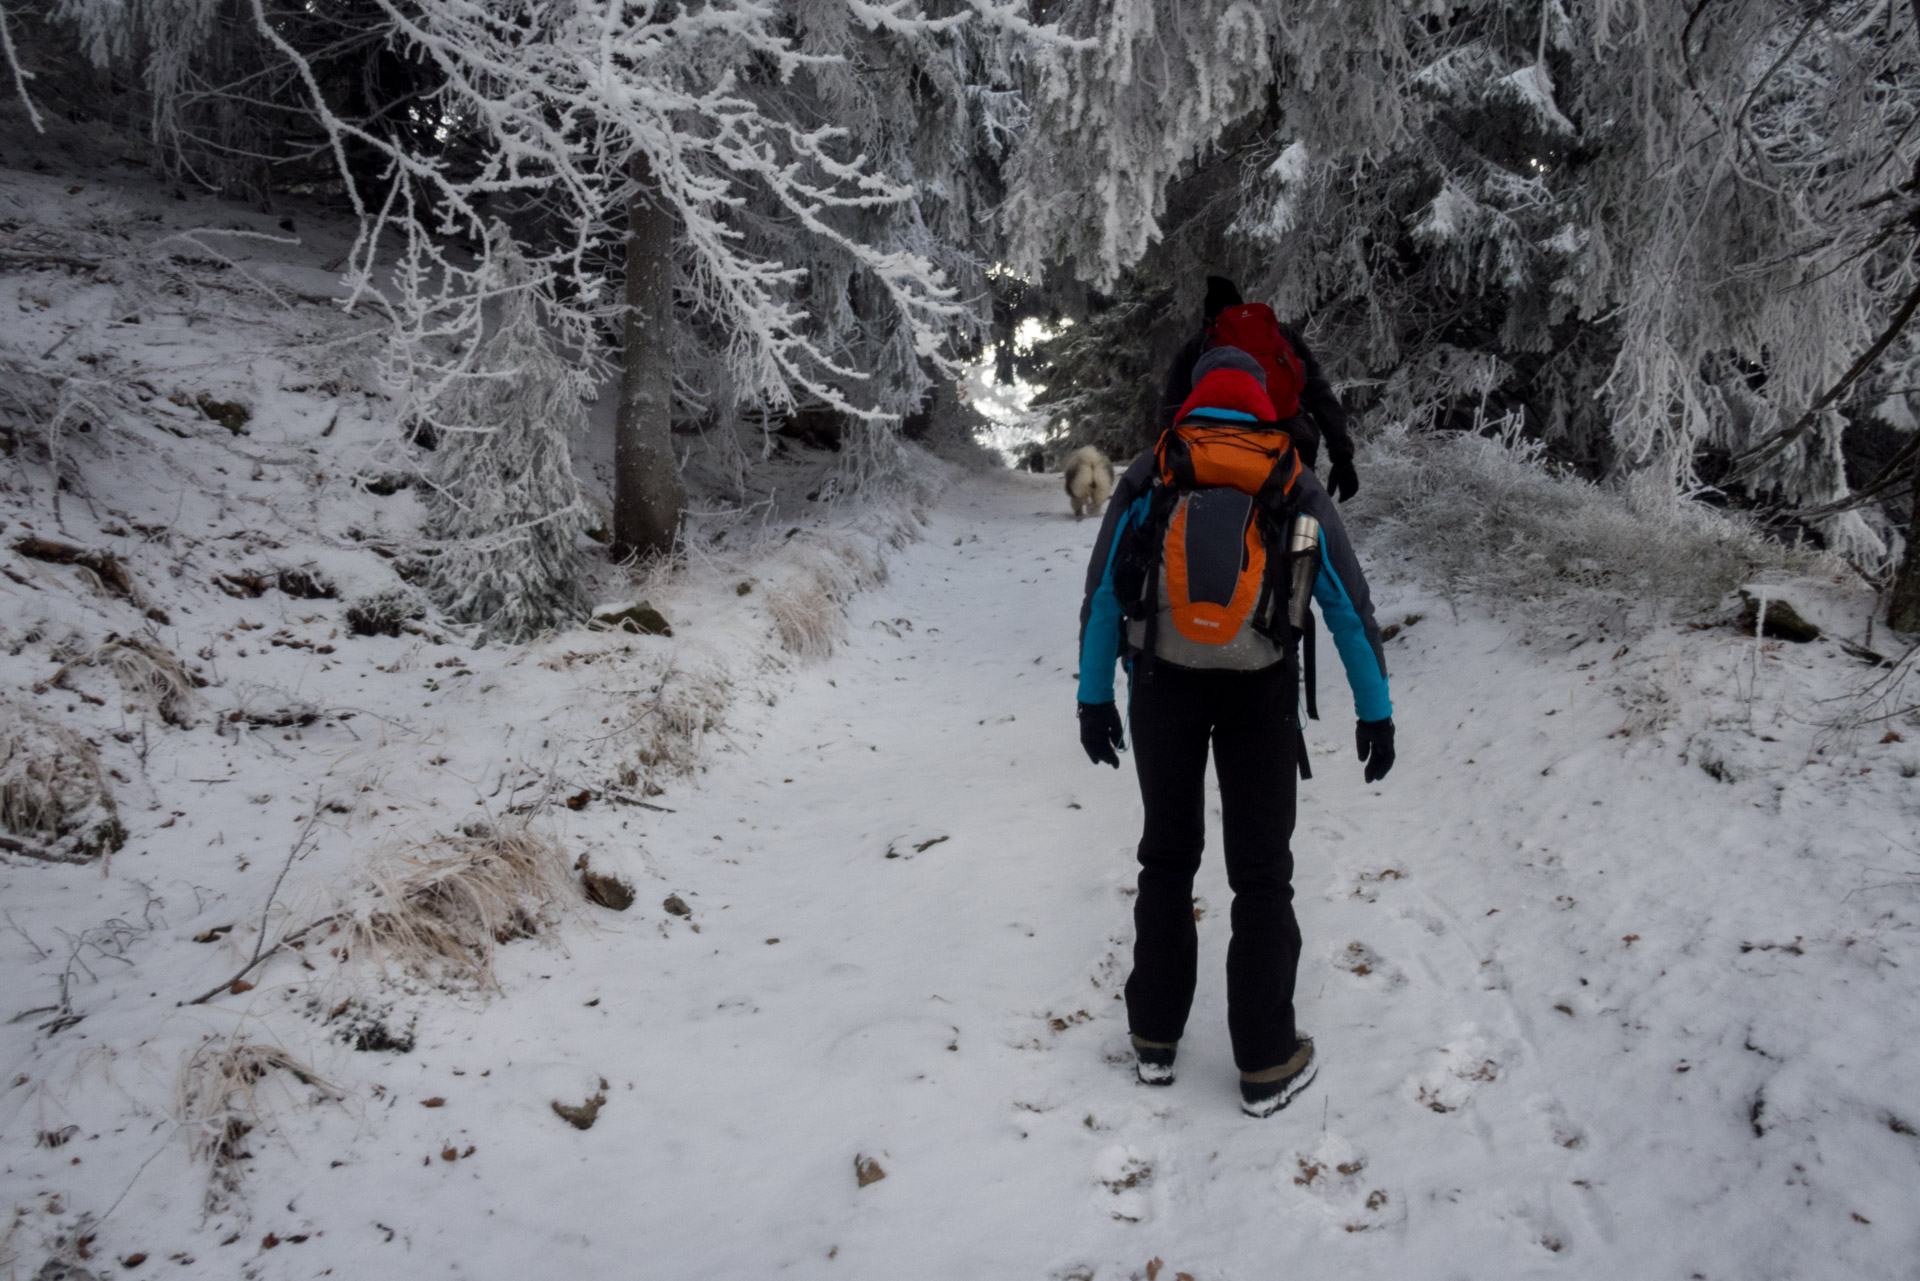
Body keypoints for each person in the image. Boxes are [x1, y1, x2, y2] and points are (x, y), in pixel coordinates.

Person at [1076, 345, 1396, 1118]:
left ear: (1192, 397)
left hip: (1161, 684)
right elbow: (1345, 605)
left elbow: (1104, 594)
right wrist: (1374, 709)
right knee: (1260, 873)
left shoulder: (1155, 468)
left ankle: (1154, 1037)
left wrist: (1094, 697)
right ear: (1262, 398)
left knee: (1166, 858)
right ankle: (1264, 1059)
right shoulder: (1291, 474)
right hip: (1260, 691)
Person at [1159, 276, 1360, 503]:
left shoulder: (1198, 345)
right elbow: (1319, 393)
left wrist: (1164, 463)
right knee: (1306, 515)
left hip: (1217, 450)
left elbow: (1172, 410)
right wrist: (1342, 456)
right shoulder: (1281, 335)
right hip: (1291, 443)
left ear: (1209, 318)